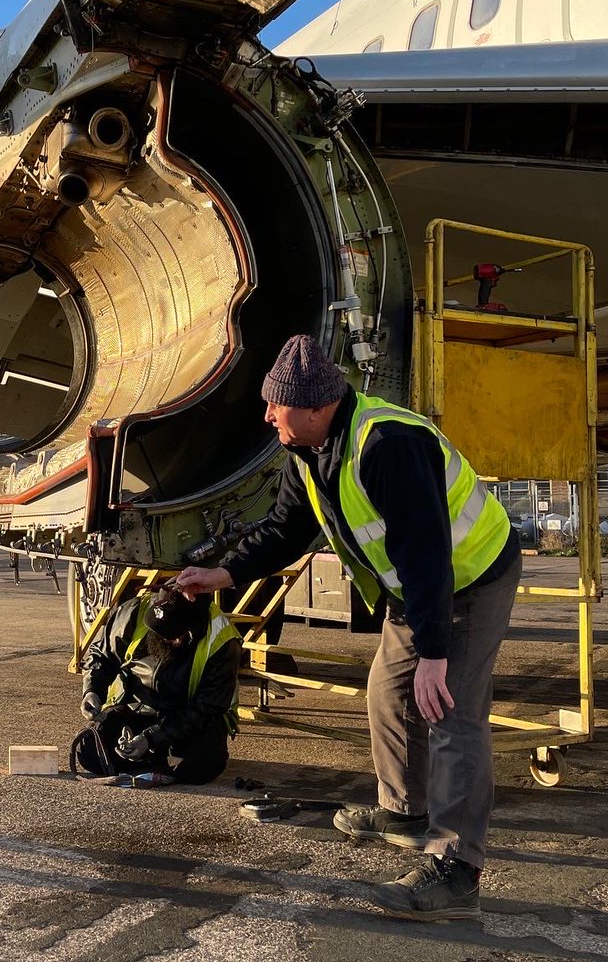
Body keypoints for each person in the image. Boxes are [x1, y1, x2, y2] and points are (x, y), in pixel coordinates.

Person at [176, 334, 520, 921]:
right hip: (416, 590)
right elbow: (286, 527)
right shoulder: (310, 449)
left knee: (450, 715)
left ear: (314, 408)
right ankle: (405, 813)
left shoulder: (387, 445)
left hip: (469, 578)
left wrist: (435, 652)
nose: (267, 416)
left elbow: (428, 552)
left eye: (274, 406)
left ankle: (457, 875)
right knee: (388, 695)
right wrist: (224, 573)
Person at [76, 587, 242, 783]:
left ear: (189, 631)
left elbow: (207, 708)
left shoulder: (222, 639)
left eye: (171, 635)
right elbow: (102, 655)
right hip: (134, 709)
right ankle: (153, 763)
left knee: (203, 764)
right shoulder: (134, 611)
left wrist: (152, 738)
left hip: (187, 720)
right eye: (159, 631)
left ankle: (149, 759)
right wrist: (92, 690)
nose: (164, 639)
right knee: (88, 749)